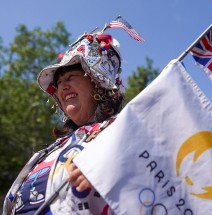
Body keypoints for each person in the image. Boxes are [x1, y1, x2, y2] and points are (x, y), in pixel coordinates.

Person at [2, 29, 125, 214]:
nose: (62, 87)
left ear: (96, 82)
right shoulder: (48, 151)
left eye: (71, 77)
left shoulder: (123, 131)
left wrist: (108, 173)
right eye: (58, 83)